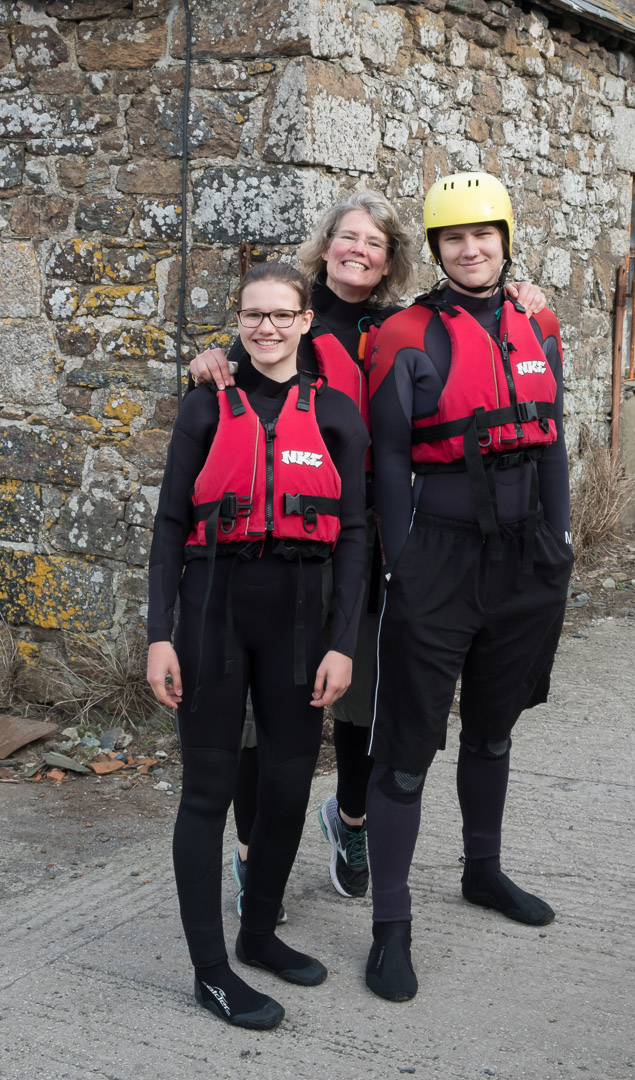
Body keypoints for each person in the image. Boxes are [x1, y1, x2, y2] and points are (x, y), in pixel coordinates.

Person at [188, 191, 549, 910]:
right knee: (267, 713)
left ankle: (349, 821)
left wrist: (524, 291)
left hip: (364, 539)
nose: (360, 249)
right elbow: (230, 393)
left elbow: (472, 324)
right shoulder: (281, 321)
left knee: (361, 704)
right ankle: (252, 853)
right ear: (326, 247)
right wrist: (206, 361)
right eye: (347, 237)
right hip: (276, 545)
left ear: (391, 258)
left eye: (375, 242)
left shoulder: (399, 327)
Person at [364, 171, 574, 1002]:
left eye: (485, 233)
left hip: (527, 561)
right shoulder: (404, 333)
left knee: (493, 729)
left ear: (505, 239)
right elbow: (384, 454)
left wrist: (559, 543)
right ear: (438, 248)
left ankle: (482, 871)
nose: (472, 247)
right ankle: (390, 926)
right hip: (439, 558)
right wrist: (402, 558)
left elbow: (553, 434)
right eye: (455, 237)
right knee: (407, 751)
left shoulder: (539, 321)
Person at [146, 263, 369, 1029]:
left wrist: (343, 644)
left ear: (307, 321)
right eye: (252, 315)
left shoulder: (337, 414)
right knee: (208, 796)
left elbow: (359, 537)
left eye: (281, 315)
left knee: (286, 787)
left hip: (303, 623)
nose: (266, 327)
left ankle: (258, 931)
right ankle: (210, 973)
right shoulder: (204, 409)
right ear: (237, 321)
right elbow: (170, 525)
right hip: (212, 616)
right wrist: (158, 636)